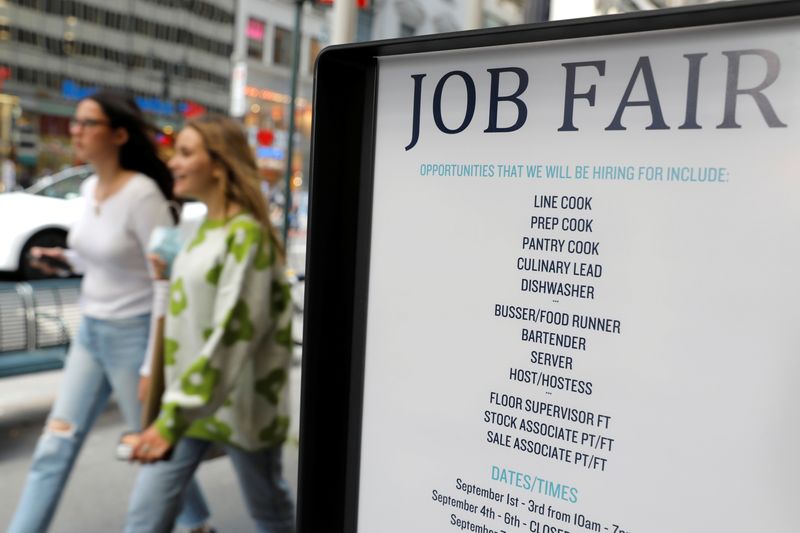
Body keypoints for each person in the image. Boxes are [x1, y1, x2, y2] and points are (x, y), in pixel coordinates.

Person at [8, 91, 213, 533]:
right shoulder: (88, 188)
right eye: (76, 123)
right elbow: (100, 257)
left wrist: (149, 365)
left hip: (134, 337)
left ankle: (196, 525)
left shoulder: (143, 197)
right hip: (91, 334)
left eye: (87, 124)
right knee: (54, 444)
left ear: (119, 134)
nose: (75, 131)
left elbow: (164, 280)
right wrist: (63, 259)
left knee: (152, 446)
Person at [124, 116, 295, 533]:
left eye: (185, 152)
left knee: (269, 513)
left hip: (241, 403)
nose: (173, 162)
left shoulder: (247, 235)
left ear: (218, 164)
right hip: (189, 404)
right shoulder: (203, 228)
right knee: (145, 516)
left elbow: (232, 332)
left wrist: (168, 419)